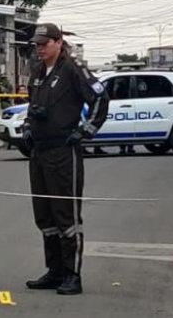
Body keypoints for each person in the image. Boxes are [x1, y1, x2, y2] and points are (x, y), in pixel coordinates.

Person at [23, 24, 109, 296]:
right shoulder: (37, 72)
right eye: (36, 44)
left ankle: (72, 275)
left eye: (44, 43)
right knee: (44, 214)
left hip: (63, 152)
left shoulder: (73, 69)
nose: (39, 48)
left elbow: (100, 99)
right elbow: (31, 105)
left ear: (59, 42)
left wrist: (85, 131)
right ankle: (55, 270)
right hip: (39, 152)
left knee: (65, 215)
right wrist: (28, 126)